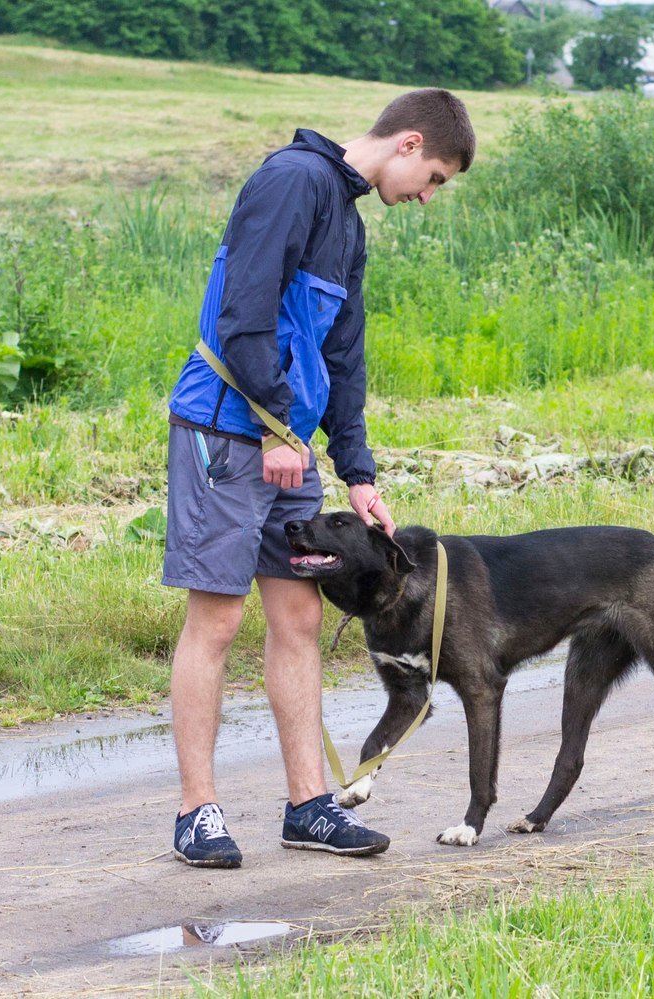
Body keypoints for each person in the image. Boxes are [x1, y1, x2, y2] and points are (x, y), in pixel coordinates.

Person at [161, 89, 476, 868]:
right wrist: (273, 423)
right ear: (408, 143)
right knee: (218, 623)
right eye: (434, 177)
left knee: (299, 619)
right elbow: (244, 311)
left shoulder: (350, 224)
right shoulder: (292, 181)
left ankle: (309, 806)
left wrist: (358, 470)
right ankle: (196, 813)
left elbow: (343, 360)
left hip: (289, 447)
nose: (429, 197)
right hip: (228, 433)